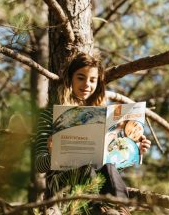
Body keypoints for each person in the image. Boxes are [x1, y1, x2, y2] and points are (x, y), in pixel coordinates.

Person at [35, 51, 151, 214]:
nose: (87, 85)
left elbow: (110, 171)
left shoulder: (104, 118)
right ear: (70, 79)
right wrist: (53, 153)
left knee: (109, 167)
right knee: (86, 168)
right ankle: (100, 209)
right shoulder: (50, 116)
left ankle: (120, 210)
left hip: (96, 187)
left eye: (92, 80)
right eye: (81, 78)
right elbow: (39, 165)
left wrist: (135, 150)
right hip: (64, 186)